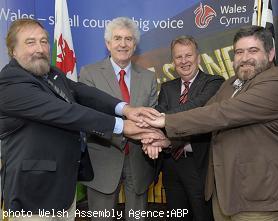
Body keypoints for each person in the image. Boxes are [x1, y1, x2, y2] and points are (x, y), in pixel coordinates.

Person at [0, 18, 162, 221]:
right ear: (13, 50)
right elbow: (66, 112)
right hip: (34, 194)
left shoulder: (50, 73)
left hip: (63, 188)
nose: (40, 48)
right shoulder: (11, 83)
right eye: (30, 42)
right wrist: (121, 125)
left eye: (43, 41)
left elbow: (82, 91)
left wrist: (125, 109)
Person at [142, 26, 278, 221]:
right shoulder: (232, 83)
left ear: (271, 53)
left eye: (253, 51)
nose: (245, 57)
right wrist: (166, 141)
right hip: (225, 195)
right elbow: (204, 116)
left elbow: (220, 113)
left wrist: (165, 120)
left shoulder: (277, 83)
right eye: (239, 52)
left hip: (259, 198)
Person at [79, 17, 158, 221]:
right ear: (108, 44)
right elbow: (88, 117)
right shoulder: (89, 74)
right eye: (117, 38)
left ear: (135, 44)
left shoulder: (148, 77)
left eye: (128, 39)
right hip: (103, 160)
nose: (123, 44)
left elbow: (152, 116)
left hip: (139, 161)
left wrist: (151, 138)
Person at [154, 35, 224, 221]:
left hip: (199, 164)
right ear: (173, 61)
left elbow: (197, 106)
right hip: (171, 164)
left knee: (202, 215)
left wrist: (162, 118)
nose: (184, 61)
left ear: (198, 57)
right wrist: (149, 122)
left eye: (188, 55)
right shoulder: (167, 88)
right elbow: (159, 123)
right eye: (178, 57)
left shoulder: (214, 82)